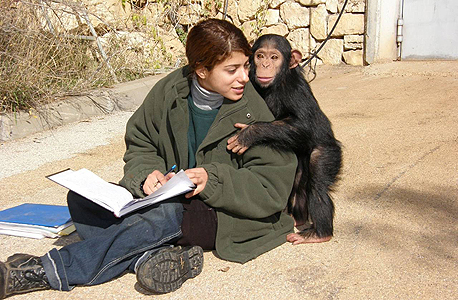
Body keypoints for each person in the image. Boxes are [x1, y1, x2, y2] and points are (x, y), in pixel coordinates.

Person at [0, 18, 297, 299]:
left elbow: (272, 189)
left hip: (224, 215)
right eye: (232, 70)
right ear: (201, 70)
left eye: (245, 66)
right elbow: (141, 142)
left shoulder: (254, 111)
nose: (245, 77)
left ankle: (45, 270)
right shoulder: (170, 90)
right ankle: (147, 258)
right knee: (82, 201)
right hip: (168, 200)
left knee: (165, 216)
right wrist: (146, 174)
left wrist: (212, 180)